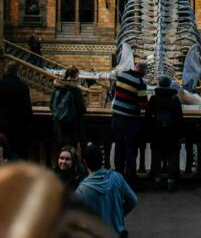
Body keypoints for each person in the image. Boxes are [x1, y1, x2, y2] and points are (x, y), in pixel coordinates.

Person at [76, 143, 137, 238]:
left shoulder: (82, 190)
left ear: (84, 162)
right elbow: (133, 200)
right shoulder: (117, 177)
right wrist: (117, 216)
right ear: (102, 160)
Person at [111, 57, 148, 188]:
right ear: (144, 70)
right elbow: (143, 104)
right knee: (131, 151)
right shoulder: (140, 82)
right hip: (130, 121)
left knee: (119, 150)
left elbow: (116, 92)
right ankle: (130, 181)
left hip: (116, 118)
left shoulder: (122, 75)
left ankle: (117, 180)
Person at [0, 62, 34, 159]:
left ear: (5, 71)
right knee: (17, 153)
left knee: (2, 152)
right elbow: (27, 108)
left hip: (0, 124)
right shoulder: (22, 86)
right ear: (16, 72)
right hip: (17, 127)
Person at [145, 74, 183, 191]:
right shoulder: (175, 99)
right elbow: (179, 118)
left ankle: (157, 180)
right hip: (171, 133)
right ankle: (171, 181)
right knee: (172, 156)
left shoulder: (154, 98)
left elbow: (148, 116)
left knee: (156, 155)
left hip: (157, 132)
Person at [51, 66, 86, 148]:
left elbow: (51, 105)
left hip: (59, 126)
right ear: (76, 75)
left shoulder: (57, 88)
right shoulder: (75, 90)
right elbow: (82, 109)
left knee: (60, 152)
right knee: (71, 152)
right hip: (72, 127)